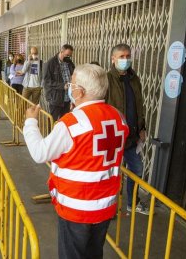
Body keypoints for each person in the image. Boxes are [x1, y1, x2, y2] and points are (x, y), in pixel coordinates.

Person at [23, 64, 129, 259]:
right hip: (105, 206)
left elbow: (40, 153)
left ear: (79, 91)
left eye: (71, 83)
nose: (69, 87)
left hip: (77, 208)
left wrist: (30, 122)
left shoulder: (71, 123)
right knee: (94, 253)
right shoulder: (119, 117)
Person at [106, 43, 149, 215]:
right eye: (122, 56)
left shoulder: (134, 78)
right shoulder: (107, 79)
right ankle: (110, 207)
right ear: (113, 59)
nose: (126, 59)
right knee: (112, 174)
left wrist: (142, 128)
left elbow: (139, 105)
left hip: (133, 137)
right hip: (114, 137)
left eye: (128, 56)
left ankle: (133, 202)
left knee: (136, 170)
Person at [43, 44, 75, 121]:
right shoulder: (50, 63)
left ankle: (60, 133)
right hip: (56, 98)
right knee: (52, 120)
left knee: (64, 121)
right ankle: (50, 133)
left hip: (67, 97)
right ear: (61, 51)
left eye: (70, 55)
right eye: (67, 55)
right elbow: (47, 82)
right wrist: (62, 86)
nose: (68, 57)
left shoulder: (69, 62)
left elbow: (74, 74)